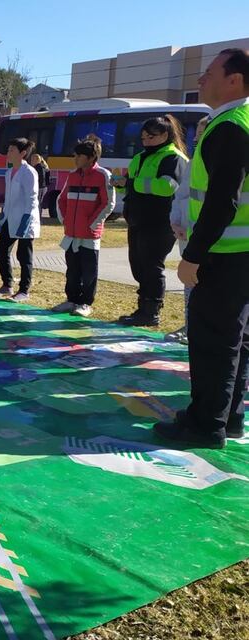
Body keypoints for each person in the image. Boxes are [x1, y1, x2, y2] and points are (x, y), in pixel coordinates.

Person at [155, 48, 249, 449]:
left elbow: (221, 201)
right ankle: (227, 417)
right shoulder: (236, 121)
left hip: (224, 257)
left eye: (208, 72)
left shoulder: (231, 125)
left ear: (234, 80)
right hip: (239, 255)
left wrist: (193, 255)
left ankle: (204, 424)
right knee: (236, 340)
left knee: (213, 342)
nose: (200, 80)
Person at [113, 115, 188, 327]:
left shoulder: (173, 157)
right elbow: (131, 183)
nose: (145, 140)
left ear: (165, 135)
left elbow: (167, 187)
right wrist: (120, 183)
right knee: (138, 266)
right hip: (137, 219)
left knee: (151, 266)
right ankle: (142, 307)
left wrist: (133, 183)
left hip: (159, 221)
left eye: (151, 136)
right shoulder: (140, 156)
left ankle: (151, 311)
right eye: (143, 136)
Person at [52, 140, 115, 318]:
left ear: (91, 157)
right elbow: (61, 200)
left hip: (89, 234)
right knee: (72, 269)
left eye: (79, 155)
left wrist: (92, 223)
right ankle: (71, 299)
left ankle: (86, 303)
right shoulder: (72, 175)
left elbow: (108, 203)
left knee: (89, 271)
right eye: (75, 155)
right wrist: (65, 220)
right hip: (71, 233)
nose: (75, 159)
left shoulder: (103, 175)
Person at [166, 116, 210, 344]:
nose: (196, 139)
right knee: (190, 287)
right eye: (196, 135)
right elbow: (181, 195)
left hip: (214, 243)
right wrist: (176, 222)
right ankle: (190, 326)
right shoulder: (195, 164)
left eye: (201, 134)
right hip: (188, 237)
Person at [0, 137, 40, 301]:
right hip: (9, 218)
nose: (8, 153)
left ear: (23, 153)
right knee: (1, 252)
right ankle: (7, 285)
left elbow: (32, 198)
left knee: (24, 256)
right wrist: (3, 215)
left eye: (12, 150)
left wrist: (26, 220)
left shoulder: (29, 172)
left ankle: (24, 291)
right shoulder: (8, 172)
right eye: (8, 149)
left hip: (25, 220)